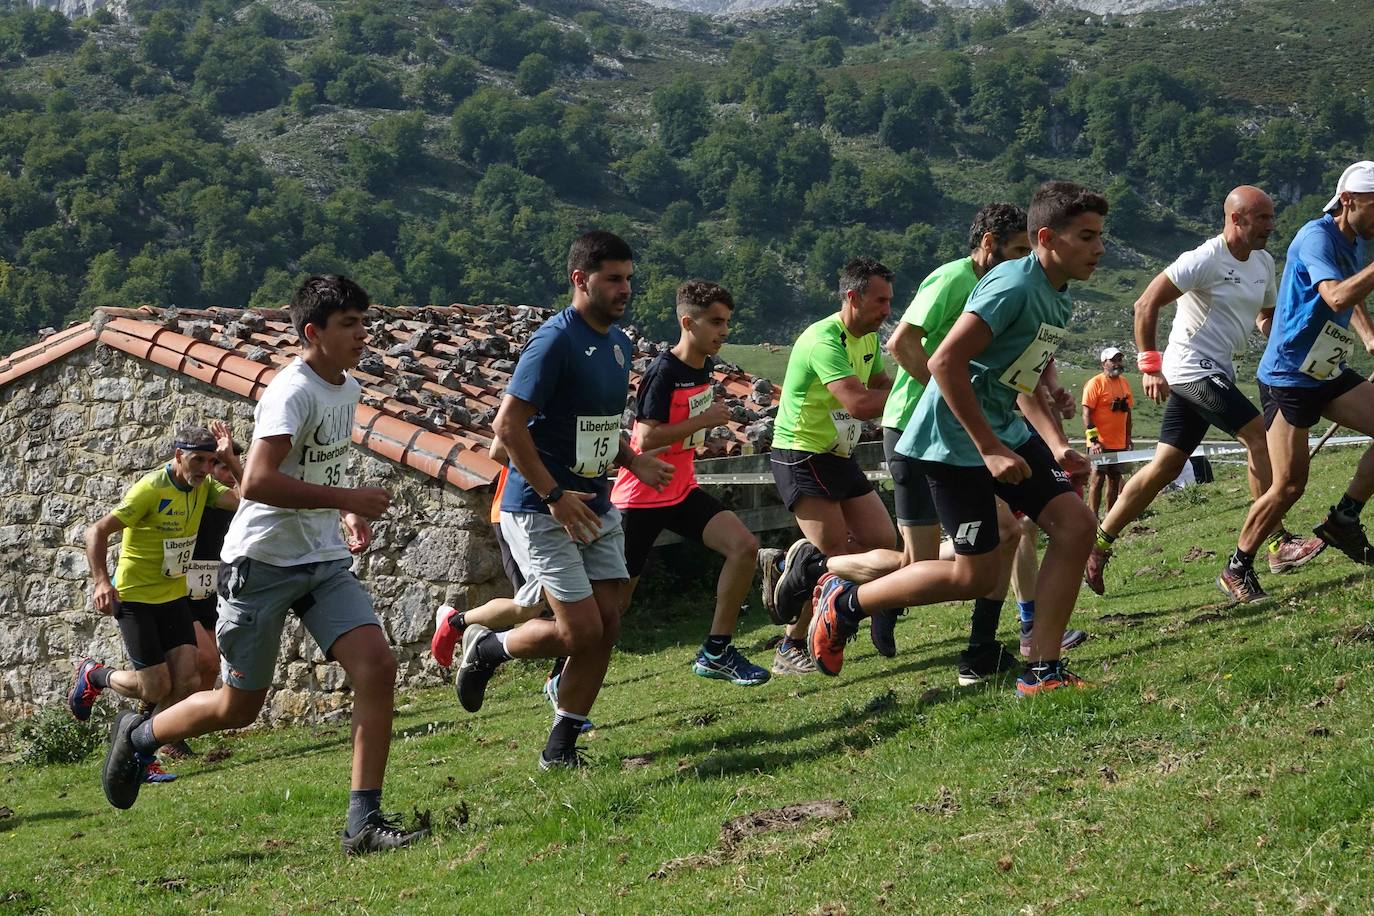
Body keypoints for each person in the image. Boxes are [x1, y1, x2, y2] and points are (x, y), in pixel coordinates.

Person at [98, 275, 426, 856]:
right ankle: (141, 734)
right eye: (349, 324)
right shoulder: (291, 392)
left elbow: (316, 468)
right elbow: (257, 481)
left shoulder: (343, 389)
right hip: (261, 564)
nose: (363, 334)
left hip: (322, 560)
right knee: (238, 707)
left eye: (363, 321)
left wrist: (341, 516)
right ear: (312, 333)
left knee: (376, 667)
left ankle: (363, 822)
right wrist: (349, 500)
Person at [808, 180, 1105, 696]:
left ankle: (1043, 671)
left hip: (1004, 430)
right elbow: (944, 360)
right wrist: (988, 448)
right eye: (1085, 237)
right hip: (952, 443)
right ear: (1046, 238)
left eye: (1100, 236)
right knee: (971, 576)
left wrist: (1054, 440)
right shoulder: (1011, 284)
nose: (1098, 249)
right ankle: (845, 602)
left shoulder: (1057, 293)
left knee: (1076, 526)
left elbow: (1016, 375)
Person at [455, 231, 672, 770]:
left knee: (609, 621)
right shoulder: (553, 341)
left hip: (595, 504)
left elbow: (589, 425)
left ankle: (562, 747)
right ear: (581, 280)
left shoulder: (618, 342)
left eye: (628, 278)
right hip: (542, 508)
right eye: (613, 279)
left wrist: (630, 458)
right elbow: (505, 431)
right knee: (580, 630)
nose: (625, 289)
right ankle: (487, 649)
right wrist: (554, 496)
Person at [1084, 186, 1327, 600]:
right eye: (1263, 218)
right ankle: (1276, 543)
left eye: (1272, 217)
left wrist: (1284, 340)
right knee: (1259, 437)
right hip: (1189, 368)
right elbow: (1145, 304)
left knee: (1163, 467)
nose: (1272, 225)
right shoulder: (1204, 258)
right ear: (1237, 219)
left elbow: (1264, 316)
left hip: (1218, 371)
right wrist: (1150, 366)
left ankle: (1099, 544)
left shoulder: (1264, 262)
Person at [611, 280, 769, 686]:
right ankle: (561, 673)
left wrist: (698, 431)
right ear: (687, 322)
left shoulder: (703, 365)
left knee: (744, 547)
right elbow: (644, 438)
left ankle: (716, 651)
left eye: (727, 322)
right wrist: (704, 421)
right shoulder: (663, 371)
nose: (724, 331)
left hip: (679, 489)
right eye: (716, 322)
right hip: (640, 497)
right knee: (615, 604)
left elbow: (680, 429)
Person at [70, 424, 241, 781]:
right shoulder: (150, 489)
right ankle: (95, 675)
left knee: (188, 679)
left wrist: (230, 459)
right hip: (136, 597)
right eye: (198, 460)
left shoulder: (205, 485)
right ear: (178, 455)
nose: (205, 469)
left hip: (173, 595)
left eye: (211, 462)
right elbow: (96, 531)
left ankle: (142, 750)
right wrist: (101, 580)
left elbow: (249, 498)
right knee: (155, 686)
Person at [1240, 162, 1374, 586]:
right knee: (1289, 485)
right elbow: (1335, 295)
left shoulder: (1354, 239)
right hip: (1289, 377)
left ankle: (1343, 520)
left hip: (1326, 368)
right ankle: (1238, 564)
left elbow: (1354, 293)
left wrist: (1371, 338)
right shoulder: (1316, 237)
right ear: (1348, 202)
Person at [761, 257, 895, 674]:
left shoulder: (868, 339)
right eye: (880, 301)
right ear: (852, 297)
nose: (887, 310)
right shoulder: (824, 339)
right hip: (800, 453)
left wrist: (909, 385)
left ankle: (867, 610)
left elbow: (881, 386)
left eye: (891, 301)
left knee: (884, 542)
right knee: (833, 552)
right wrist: (923, 394)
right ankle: (791, 642)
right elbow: (859, 404)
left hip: (839, 454)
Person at [1081, 346, 1134, 518]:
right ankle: (1092, 517)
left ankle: (1109, 518)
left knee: (1115, 479)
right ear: (1103, 363)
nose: (1117, 363)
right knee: (1097, 479)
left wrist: (1128, 438)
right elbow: (1086, 413)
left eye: (1119, 359)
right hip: (1100, 444)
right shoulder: (1095, 383)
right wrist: (1094, 440)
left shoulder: (1124, 382)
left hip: (1119, 443)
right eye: (1113, 360)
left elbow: (1128, 413)